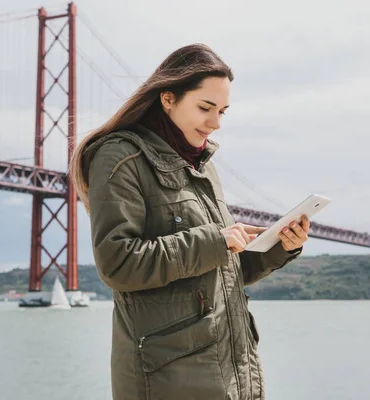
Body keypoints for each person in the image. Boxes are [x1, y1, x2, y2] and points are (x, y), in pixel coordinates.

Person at [70, 43, 310, 400]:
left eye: (223, 112)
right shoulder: (120, 157)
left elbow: (223, 266)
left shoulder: (202, 165)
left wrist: (279, 248)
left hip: (229, 376)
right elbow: (117, 265)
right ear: (168, 99)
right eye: (205, 107)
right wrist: (216, 240)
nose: (215, 123)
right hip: (168, 379)